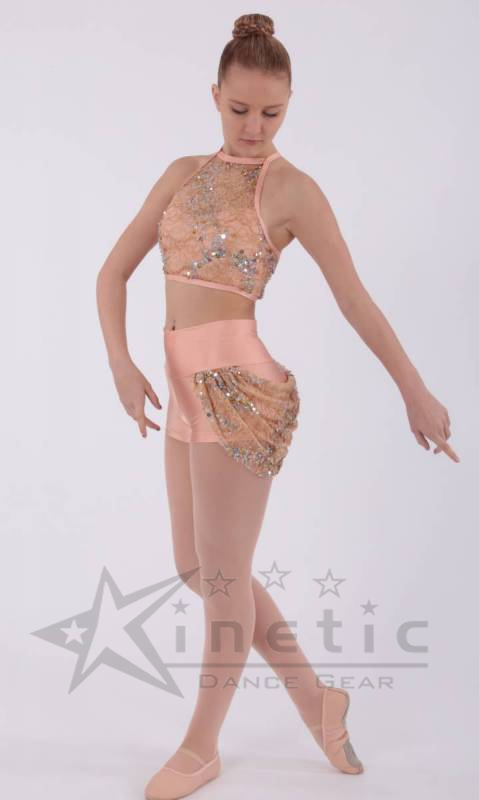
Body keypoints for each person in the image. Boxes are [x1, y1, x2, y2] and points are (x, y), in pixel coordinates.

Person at [96, 12, 459, 799]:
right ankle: (315, 699)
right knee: (195, 568)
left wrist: (413, 389)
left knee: (224, 579)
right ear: (214, 95)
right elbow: (111, 274)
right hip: (181, 388)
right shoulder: (180, 173)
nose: (254, 127)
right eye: (239, 109)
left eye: (272, 112)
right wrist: (121, 364)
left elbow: (353, 298)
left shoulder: (293, 189)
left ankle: (200, 747)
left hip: (239, 392)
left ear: (289, 104)